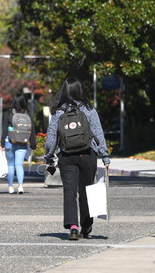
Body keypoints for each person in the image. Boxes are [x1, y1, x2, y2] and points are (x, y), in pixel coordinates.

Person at [44, 77, 110, 240]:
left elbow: (52, 137)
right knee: (88, 190)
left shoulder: (59, 111)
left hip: (67, 156)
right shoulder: (89, 109)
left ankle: (73, 227)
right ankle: (86, 226)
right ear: (80, 90)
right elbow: (98, 133)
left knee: (70, 191)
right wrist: (105, 155)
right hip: (88, 154)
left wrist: (49, 157)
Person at [0, 93, 37, 194]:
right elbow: (32, 129)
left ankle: (11, 187)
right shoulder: (27, 113)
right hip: (23, 142)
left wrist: (2, 143)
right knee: (19, 165)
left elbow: (4, 129)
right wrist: (33, 144)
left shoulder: (9, 113)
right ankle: (20, 186)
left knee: (11, 165)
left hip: (9, 142)